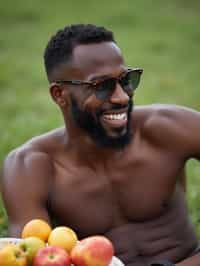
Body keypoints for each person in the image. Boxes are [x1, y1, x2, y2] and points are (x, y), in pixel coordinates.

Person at [1, 24, 200, 266]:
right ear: (59, 95)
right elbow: (29, 258)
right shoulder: (30, 167)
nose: (122, 97)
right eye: (102, 86)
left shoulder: (170, 128)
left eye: (127, 80)